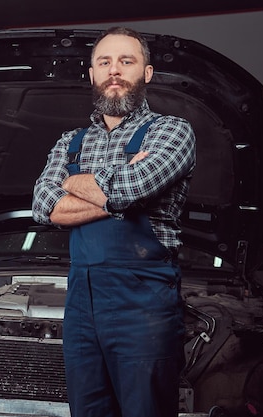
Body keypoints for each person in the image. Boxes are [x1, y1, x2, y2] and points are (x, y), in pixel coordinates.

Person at [32, 27, 196, 417]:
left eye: (127, 61)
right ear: (91, 74)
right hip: (81, 306)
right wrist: (119, 186)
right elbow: (44, 205)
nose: (115, 71)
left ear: (147, 73)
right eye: (104, 62)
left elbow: (134, 186)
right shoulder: (69, 140)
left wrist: (75, 185)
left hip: (144, 307)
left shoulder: (172, 132)